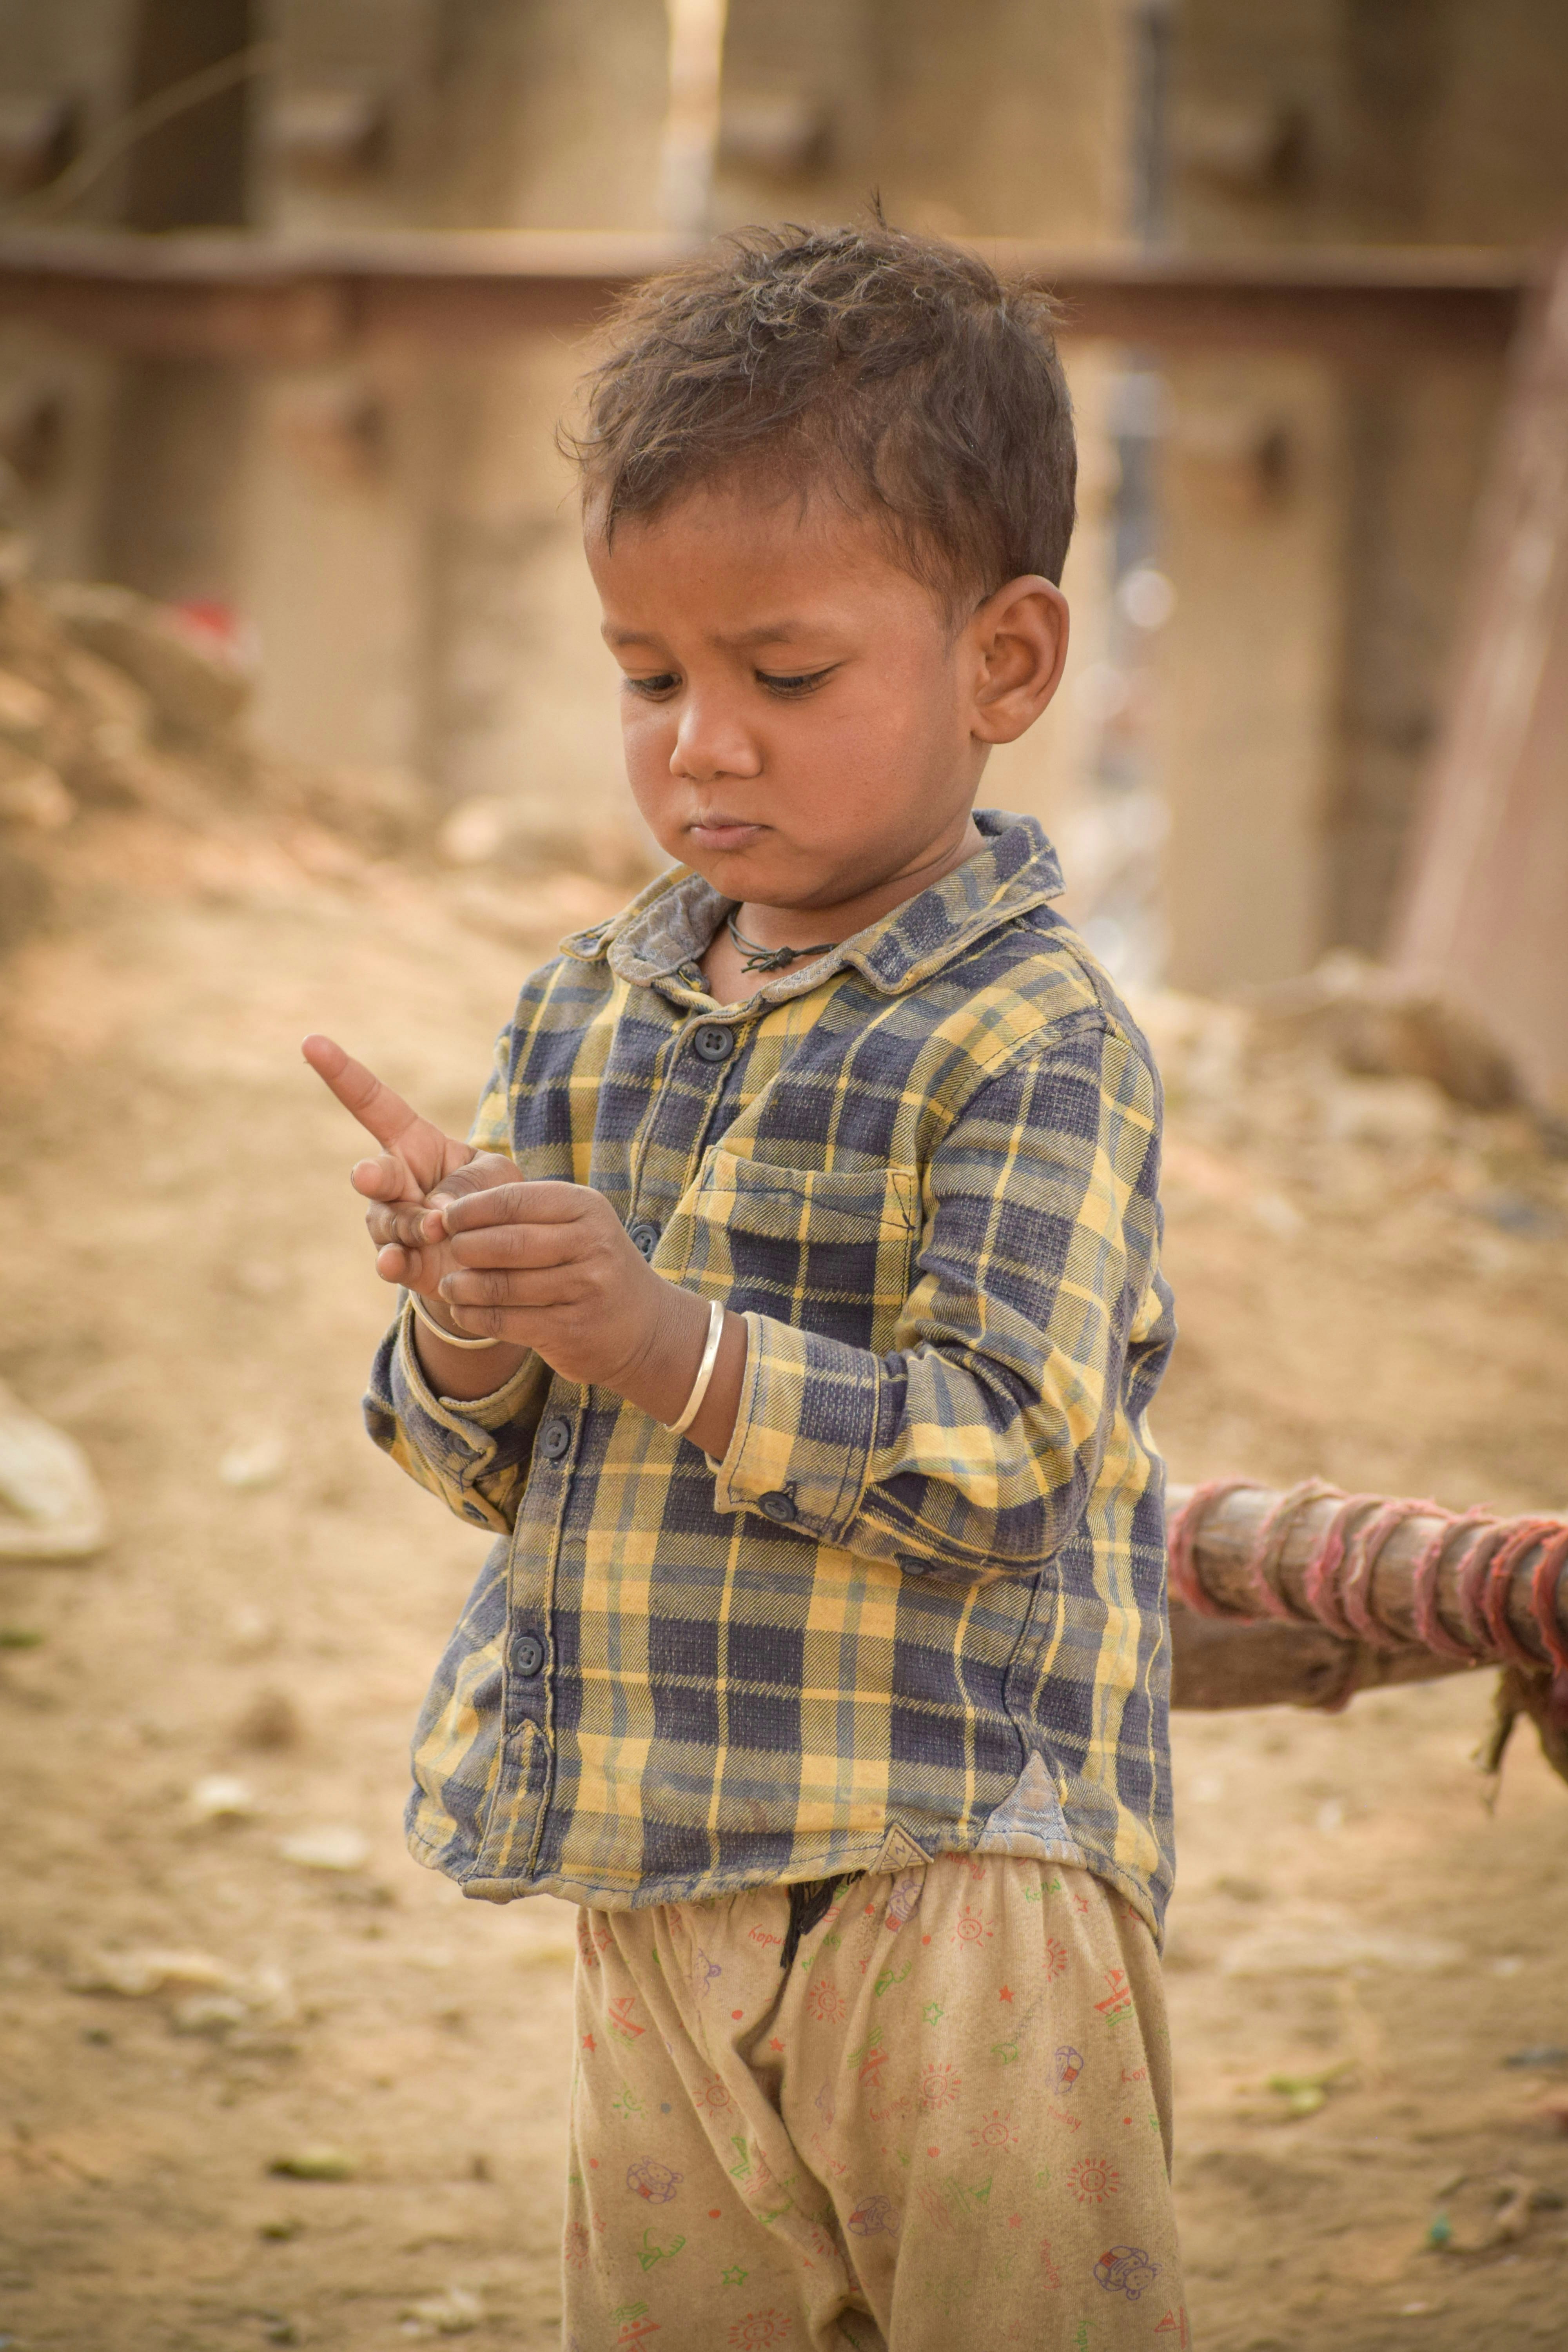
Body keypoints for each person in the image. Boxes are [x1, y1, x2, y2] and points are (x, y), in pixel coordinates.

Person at [305, 220, 1182, 2351]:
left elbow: (1003, 1465)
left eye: (783, 678)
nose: (702, 744)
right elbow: (499, 1476)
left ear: (1008, 662)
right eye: (648, 675)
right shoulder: (586, 1013)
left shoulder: (1032, 1041)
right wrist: (471, 1318)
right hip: (651, 1875)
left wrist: (671, 1344)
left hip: (956, 1881)